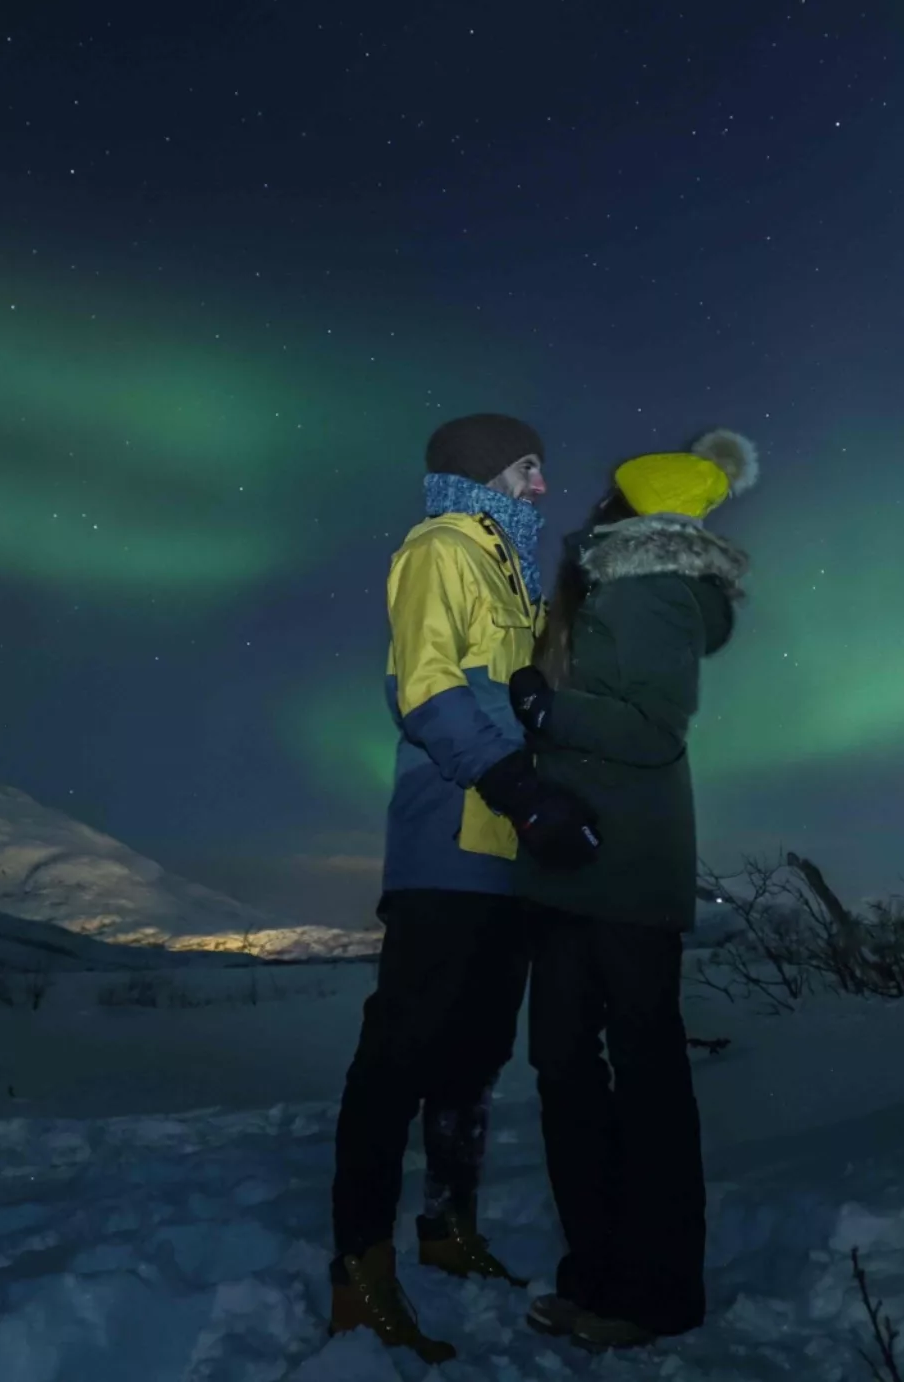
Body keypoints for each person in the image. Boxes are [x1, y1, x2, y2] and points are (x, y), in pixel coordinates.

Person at [327, 412, 604, 1365]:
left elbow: (509, 695)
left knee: (475, 1054)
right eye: (529, 469)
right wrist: (517, 785)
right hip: (451, 841)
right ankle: (359, 1277)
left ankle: (447, 1229)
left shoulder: (513, 572)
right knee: (398, 1055)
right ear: (487, 474)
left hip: (505, 850)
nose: (540, 487)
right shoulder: (442, 549)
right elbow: (427, 689)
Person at [505, 427, 759, 1352]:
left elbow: (653, 728)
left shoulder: (652, 587)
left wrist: (544, 705)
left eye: (610, 497)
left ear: (633, 507)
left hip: (621, 871)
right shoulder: (618, 583)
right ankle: (599, 1278)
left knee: (637, 1083)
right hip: (578, 867)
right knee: (569, 1075)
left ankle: (655, 1292)